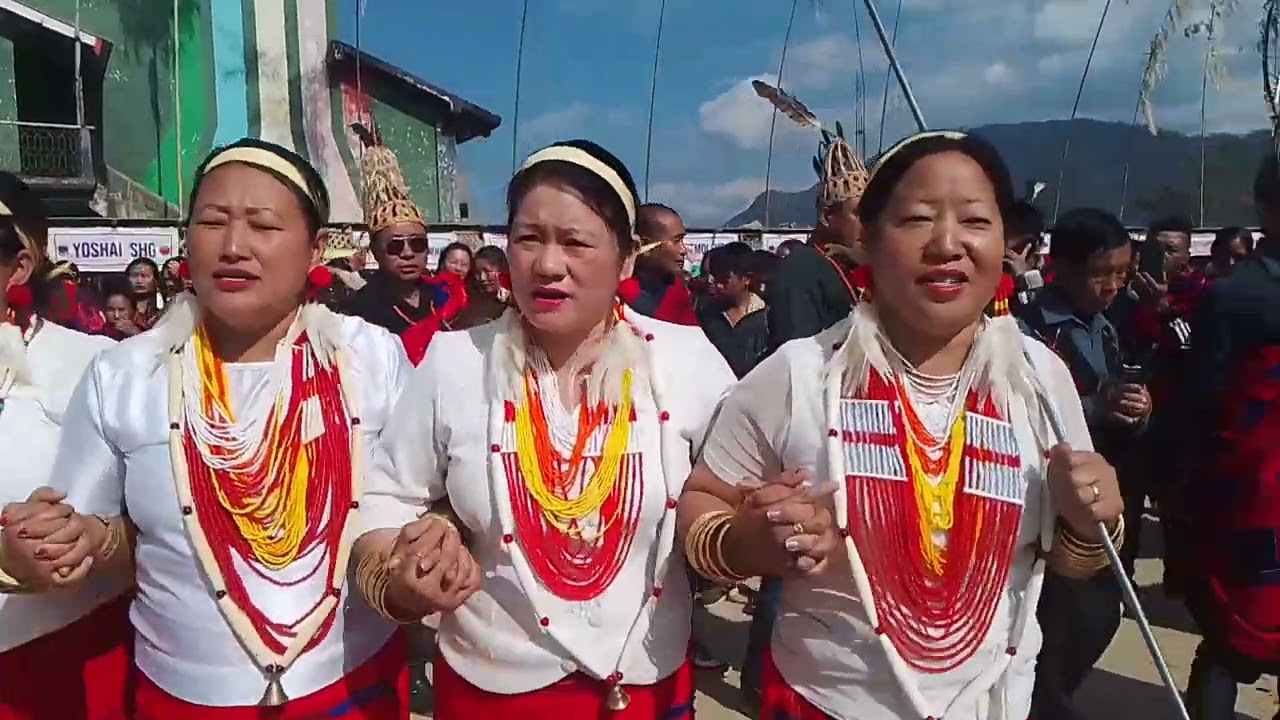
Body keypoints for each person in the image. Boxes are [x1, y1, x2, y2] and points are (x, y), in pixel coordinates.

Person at [676, 131, 1125, 720]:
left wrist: (1094, 522)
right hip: (824, 703)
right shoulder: (800, 374)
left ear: (1003, 244)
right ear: (868, 239)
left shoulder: (1040, 380)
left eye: (975, 221)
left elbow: (1072, 562)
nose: (947, 243)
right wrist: (747, 543)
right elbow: (701, 503)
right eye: (916, 219)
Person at [0, 138, 415, 717]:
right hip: (182, 695)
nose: (234, 247)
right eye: (212, 222)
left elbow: (415, 504)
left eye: (263, 226)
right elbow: (91, 536)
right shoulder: (125, 372)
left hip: (351, 684)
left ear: (315, 249)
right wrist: (61, 544)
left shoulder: (372, 358)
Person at [353, 139, 737, 717]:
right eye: (528, 238)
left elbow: (730, 492)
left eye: (576, 242)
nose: (547, 264)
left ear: (627, 257)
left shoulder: (687, 360)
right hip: (492, 692)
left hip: (646, 688)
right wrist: (406, 574)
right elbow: (385, 498)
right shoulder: (456, 361)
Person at [1014, 209, 1152, 720]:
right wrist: (1096, 407)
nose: (1113, 285)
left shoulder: (1108, 327)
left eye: (1122, 272)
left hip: (1104, 495)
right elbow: (1026, 410)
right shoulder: (1026, 331)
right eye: (1101, 273)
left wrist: (1137, 411)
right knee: (1067, 617)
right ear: (1061, 267)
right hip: (1052, 501)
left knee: (1097, 617)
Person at [0, 170, 124, 720]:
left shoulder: (98, 366)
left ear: (19, 267)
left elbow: (160, 513)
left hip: (66, 656)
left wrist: (87, 540)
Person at [1175, 154, 1280, 720]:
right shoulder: (1238, 295)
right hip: (1251, 494)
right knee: (1230, 638)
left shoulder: (1233, 292)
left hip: (1248, 493)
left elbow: (1201, 404)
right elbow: (1205, 403)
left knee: (1226, 642)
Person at [342, 135, 465, 364]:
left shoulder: (445, 299)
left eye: (417, 244)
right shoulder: (359, 312)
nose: (408, 253)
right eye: (395, 246)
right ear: (376, 252)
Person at [765, 126, 867, 352]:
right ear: (827, 215)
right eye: (859, 215)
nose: (869, 225)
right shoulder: (800, 269)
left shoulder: (848, 264)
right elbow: (797, 359)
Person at [124, 257, 163, 329]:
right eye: (134, 275)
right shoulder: (118, 312)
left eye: (145, 276)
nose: (139, 281)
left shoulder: (164, 312)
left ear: (155, 281)